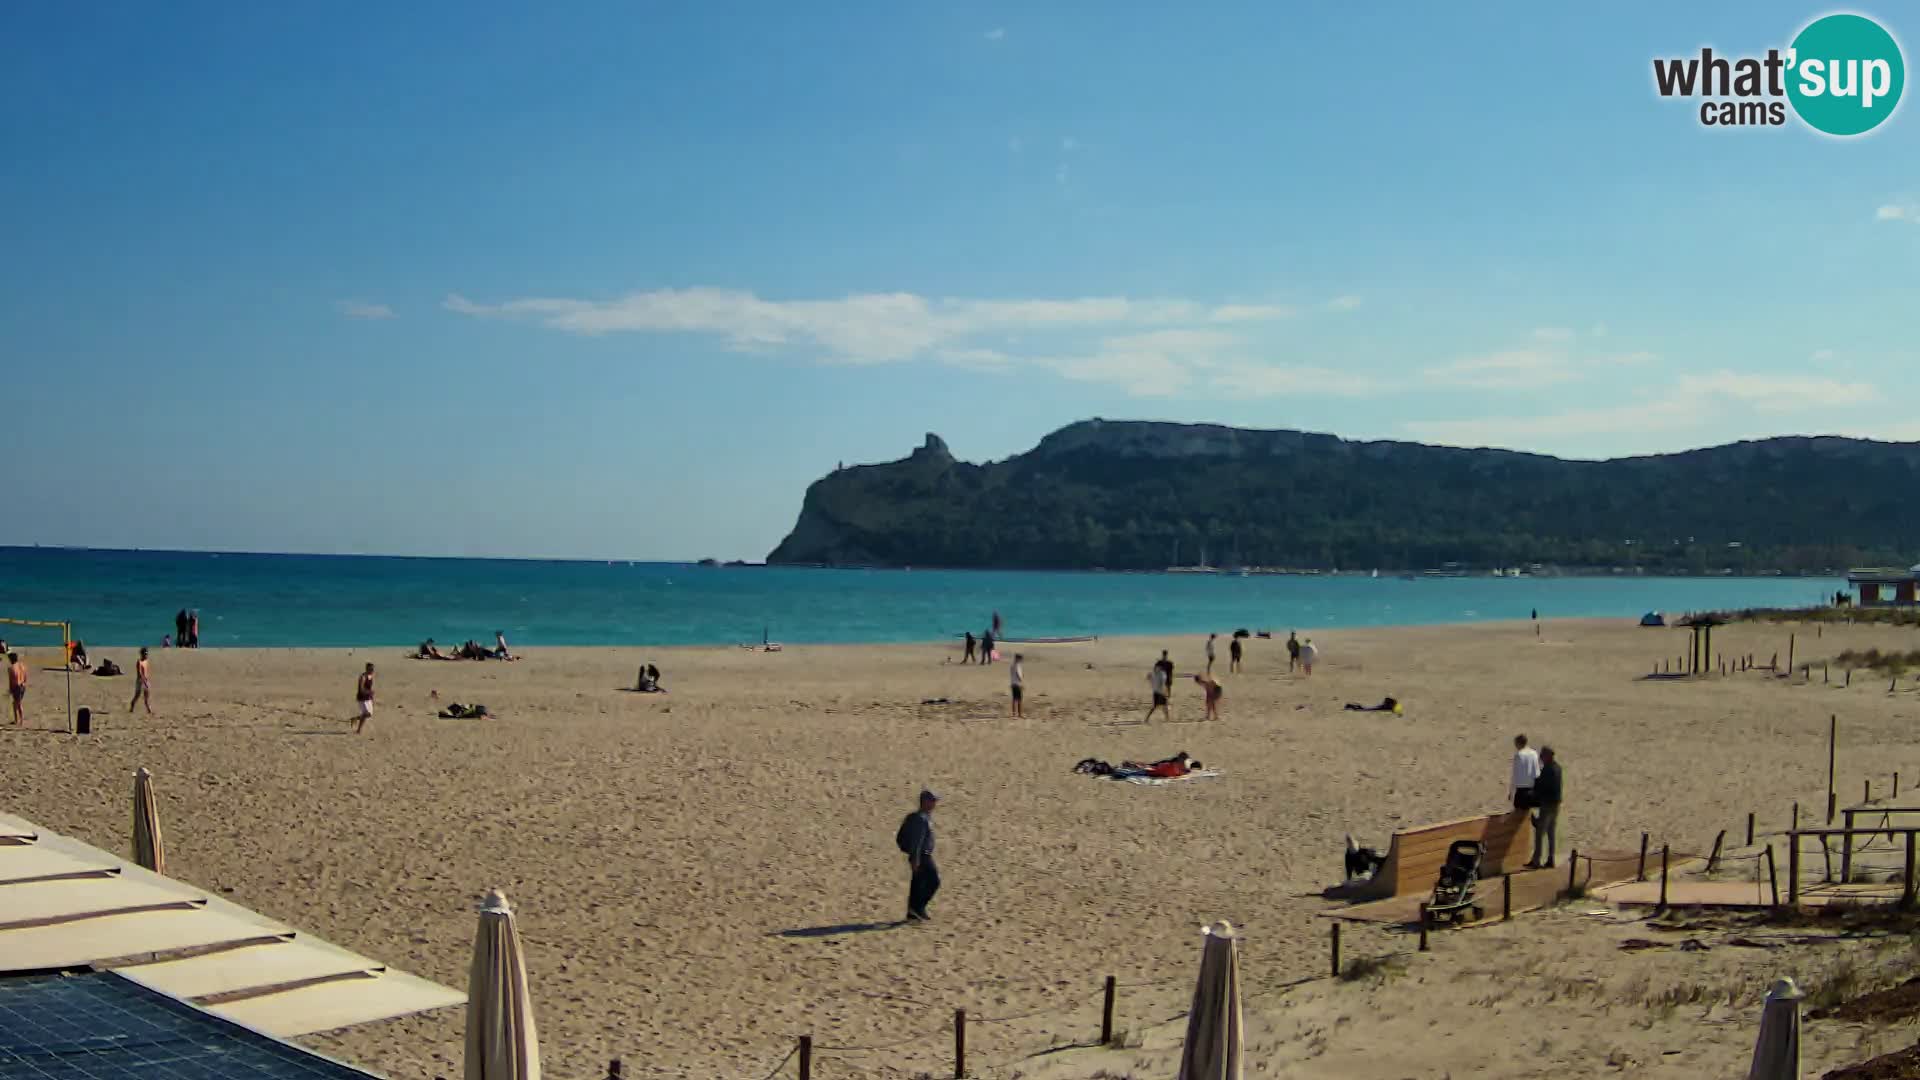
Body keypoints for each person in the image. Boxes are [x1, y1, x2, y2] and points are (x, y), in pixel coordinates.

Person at [895, 790, 941, 923]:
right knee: (934, 881)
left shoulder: (923, 817)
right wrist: (915, 859)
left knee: (917, 884)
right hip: (922, 855)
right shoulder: (920, 819)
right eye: (932, 800)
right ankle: (919, 908)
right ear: (925, 802)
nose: (934, 803)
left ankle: (912, 913)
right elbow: (917, 840)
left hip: (920, 855)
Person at [1528, 747, 1563, 869]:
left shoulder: (1548, 769)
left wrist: (1533, 794)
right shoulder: (1558, 768)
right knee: (1551, 833)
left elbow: (1542, 787)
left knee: (1539, 833)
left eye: (1542, 756)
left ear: (1548, 756)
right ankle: (1551, 859)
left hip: (1547, 804)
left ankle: (1536, 860)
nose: (1541, 758)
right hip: (1556, 804)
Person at [1508, 734, 1541, 812]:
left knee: (1518, 817)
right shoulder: (1534, 753)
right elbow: (1537, 773)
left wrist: (1511, 791)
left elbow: (1515, 775)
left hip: (1521, 792)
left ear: (1518, 743)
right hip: (1531, 790)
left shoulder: (1518, 755)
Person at [352, 662, 376, 734]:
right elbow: (361, 689)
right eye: (371, 669)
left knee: (369, 714)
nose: (372, 670)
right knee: (366, 713)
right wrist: (369, 692)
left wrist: (371, 696)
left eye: (373, 669)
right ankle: (359, 730)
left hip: (368, 697)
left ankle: (355, 719)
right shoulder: (363, 677)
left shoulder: (371, 676)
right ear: (367, 669)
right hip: (362, 698)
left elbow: (370, 687)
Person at [129, 647, 153, 715]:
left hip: (146, 680)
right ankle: (132, 705)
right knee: (137, 695)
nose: (146, 655)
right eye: (145, 654)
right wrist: (144, 681)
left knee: (146, 696)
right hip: (140, 681)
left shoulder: (146, 661)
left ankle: (149, 710)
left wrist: (146, 680)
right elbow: (139, 673)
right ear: (141, 654)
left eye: (146, 654)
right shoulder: (139, 662)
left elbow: (146, 672)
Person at [7, 653, 26, 727]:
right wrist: (24, 683)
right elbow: (25, 676)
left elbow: (11, 680)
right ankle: (18, 720)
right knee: (17, 703)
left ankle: (19, 721)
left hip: (16, 687)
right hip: (23, 686)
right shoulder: (22, 666)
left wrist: (10, 689)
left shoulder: (11, 668)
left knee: (17, 704)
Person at [1009, 653, 1025, 718]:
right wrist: (1021, 683)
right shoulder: (1017, 666)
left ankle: (1014, 714)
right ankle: (1019, 714)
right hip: (1017, 684)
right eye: (1020, 659)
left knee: (1014, 699)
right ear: (1018, 658)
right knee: (1019, 700)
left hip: (1012, 683)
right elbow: (1019, 676)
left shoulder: (1012, 665)